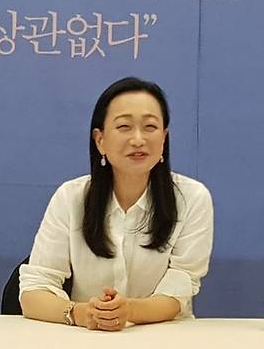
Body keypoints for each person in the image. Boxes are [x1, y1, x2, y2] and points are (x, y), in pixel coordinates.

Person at [19, 76, 213, 331]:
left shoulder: (192, 198)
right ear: (100, 140)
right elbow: (34, 293)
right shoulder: (71, 198)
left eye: (150, 127)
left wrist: (128, 310)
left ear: (164, 138)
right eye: (124, 127)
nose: (138, 139)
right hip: (87, 340)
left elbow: (177, 293)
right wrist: (83, 313)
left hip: (164, 340)